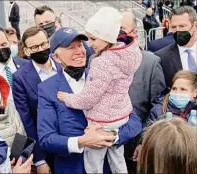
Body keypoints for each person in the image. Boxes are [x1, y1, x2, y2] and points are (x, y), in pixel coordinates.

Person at [37, 26, 143, 174]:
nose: (79, 51)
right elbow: (46, 139)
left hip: (107, 168)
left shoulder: (105, 74)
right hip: (72, 168)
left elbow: (134, 121)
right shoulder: (47, 89)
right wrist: (82, 141)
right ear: (55, 57)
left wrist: (112, 136)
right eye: (70, 47)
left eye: (80, 45)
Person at [119, 10, 166, 174]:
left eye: (122, 29)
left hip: (137, 150)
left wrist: (144, 141)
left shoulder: (150, 63)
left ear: (134, 33)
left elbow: (159, 106)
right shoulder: (96, 61)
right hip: (105, 149)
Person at [12, 26, 62, 174]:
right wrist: (39, 160)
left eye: (43, 44)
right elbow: (27, 120)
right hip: (46, 147)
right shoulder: (20, 78)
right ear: (26, 51)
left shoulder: (63, 65)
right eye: (34, 47)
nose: (40, 49)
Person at [154, 6, 197, 87]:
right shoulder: (161, 57)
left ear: (195, 26)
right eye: (174, 27)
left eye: (182, 26)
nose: (178, 31)